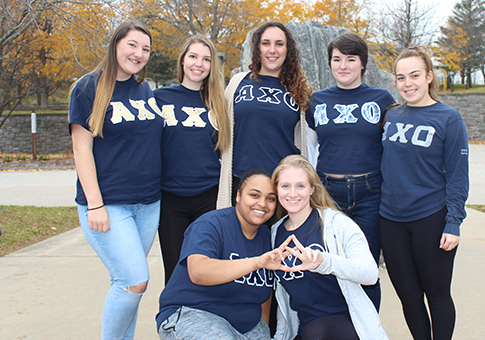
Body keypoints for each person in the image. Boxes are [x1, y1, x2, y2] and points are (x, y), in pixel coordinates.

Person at [68, 20, 163, 339]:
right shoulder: (88, 87)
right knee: (135, 281)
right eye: (132, 45)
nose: (139, 53)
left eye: (145, 49)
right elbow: (82, 150)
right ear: (116, 45)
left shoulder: (145, 90)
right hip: (109, 205)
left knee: (126, 285)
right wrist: (95, 205)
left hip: (148, 205)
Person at [379, 46, 469, 340]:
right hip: (390, 220)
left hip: (430, 218)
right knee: (409, 297)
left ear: (429, 76)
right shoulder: (391, 116)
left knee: (438, 295)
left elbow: (458, 175)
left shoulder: (448, 118)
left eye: (415, 75)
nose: (408, 83)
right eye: (401, 77)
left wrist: (453, 222)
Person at [306, 32, 395, 310]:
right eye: (337, 59)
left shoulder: (382, 100)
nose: (343, 66)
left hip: (370, 193)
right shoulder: (316, 101)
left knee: (365, 267)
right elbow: (309, 150)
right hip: (328, 194)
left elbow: (393, 149)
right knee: (329, 264)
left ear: (362, 64)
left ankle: (367, 329)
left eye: (351, 59)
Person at [156, 170, 292, 340]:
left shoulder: (268, 238)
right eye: (254, 195)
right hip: (194, 314)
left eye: (270, 198)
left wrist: (263, 330)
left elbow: (265, 294)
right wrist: (255, 262)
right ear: (238, 196)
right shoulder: (211, 224)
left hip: (246, 327)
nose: (262, 204)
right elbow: (198, 272)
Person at [271, 155, 389, 340]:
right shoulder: (274, 234)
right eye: (285, 186)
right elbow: (283, 303)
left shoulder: (336, 224)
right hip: (306, 329)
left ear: (312, 189)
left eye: (300, 186)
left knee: (317, 331)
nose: (292, 193)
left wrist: (325, 262)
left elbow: (370, 273)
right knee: (312, 331)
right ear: (276, 189)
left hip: (345, 326)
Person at [154, 35, 230, 285]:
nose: (199, 64)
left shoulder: (219, 103)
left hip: (208, 196)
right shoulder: (159, 98)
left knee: (206, 269)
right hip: (170, 198)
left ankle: (205, 322)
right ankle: (172, 321)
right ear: (183, 61)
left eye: (206, 59)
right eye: (193, 57)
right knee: (175, 269)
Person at [217, 22, 313, 210]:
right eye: (266, 43)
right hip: (242, 181)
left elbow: (312, 138)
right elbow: (220, 126)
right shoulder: (238, 83)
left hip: (283, 185)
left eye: (279, 44)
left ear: (288, 50)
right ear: (257, 48)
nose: (272, 50)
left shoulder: (299, 89)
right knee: (241, 238)